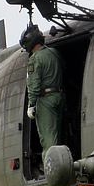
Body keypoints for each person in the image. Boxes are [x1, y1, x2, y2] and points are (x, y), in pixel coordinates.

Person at [22, 24, 65, 171]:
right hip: (59, 97)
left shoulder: (35, 59)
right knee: (58, 135)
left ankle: (53, 172)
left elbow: (34, 85)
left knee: (49, 142)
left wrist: (31, 105)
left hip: (45, 101)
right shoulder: (54, 53)